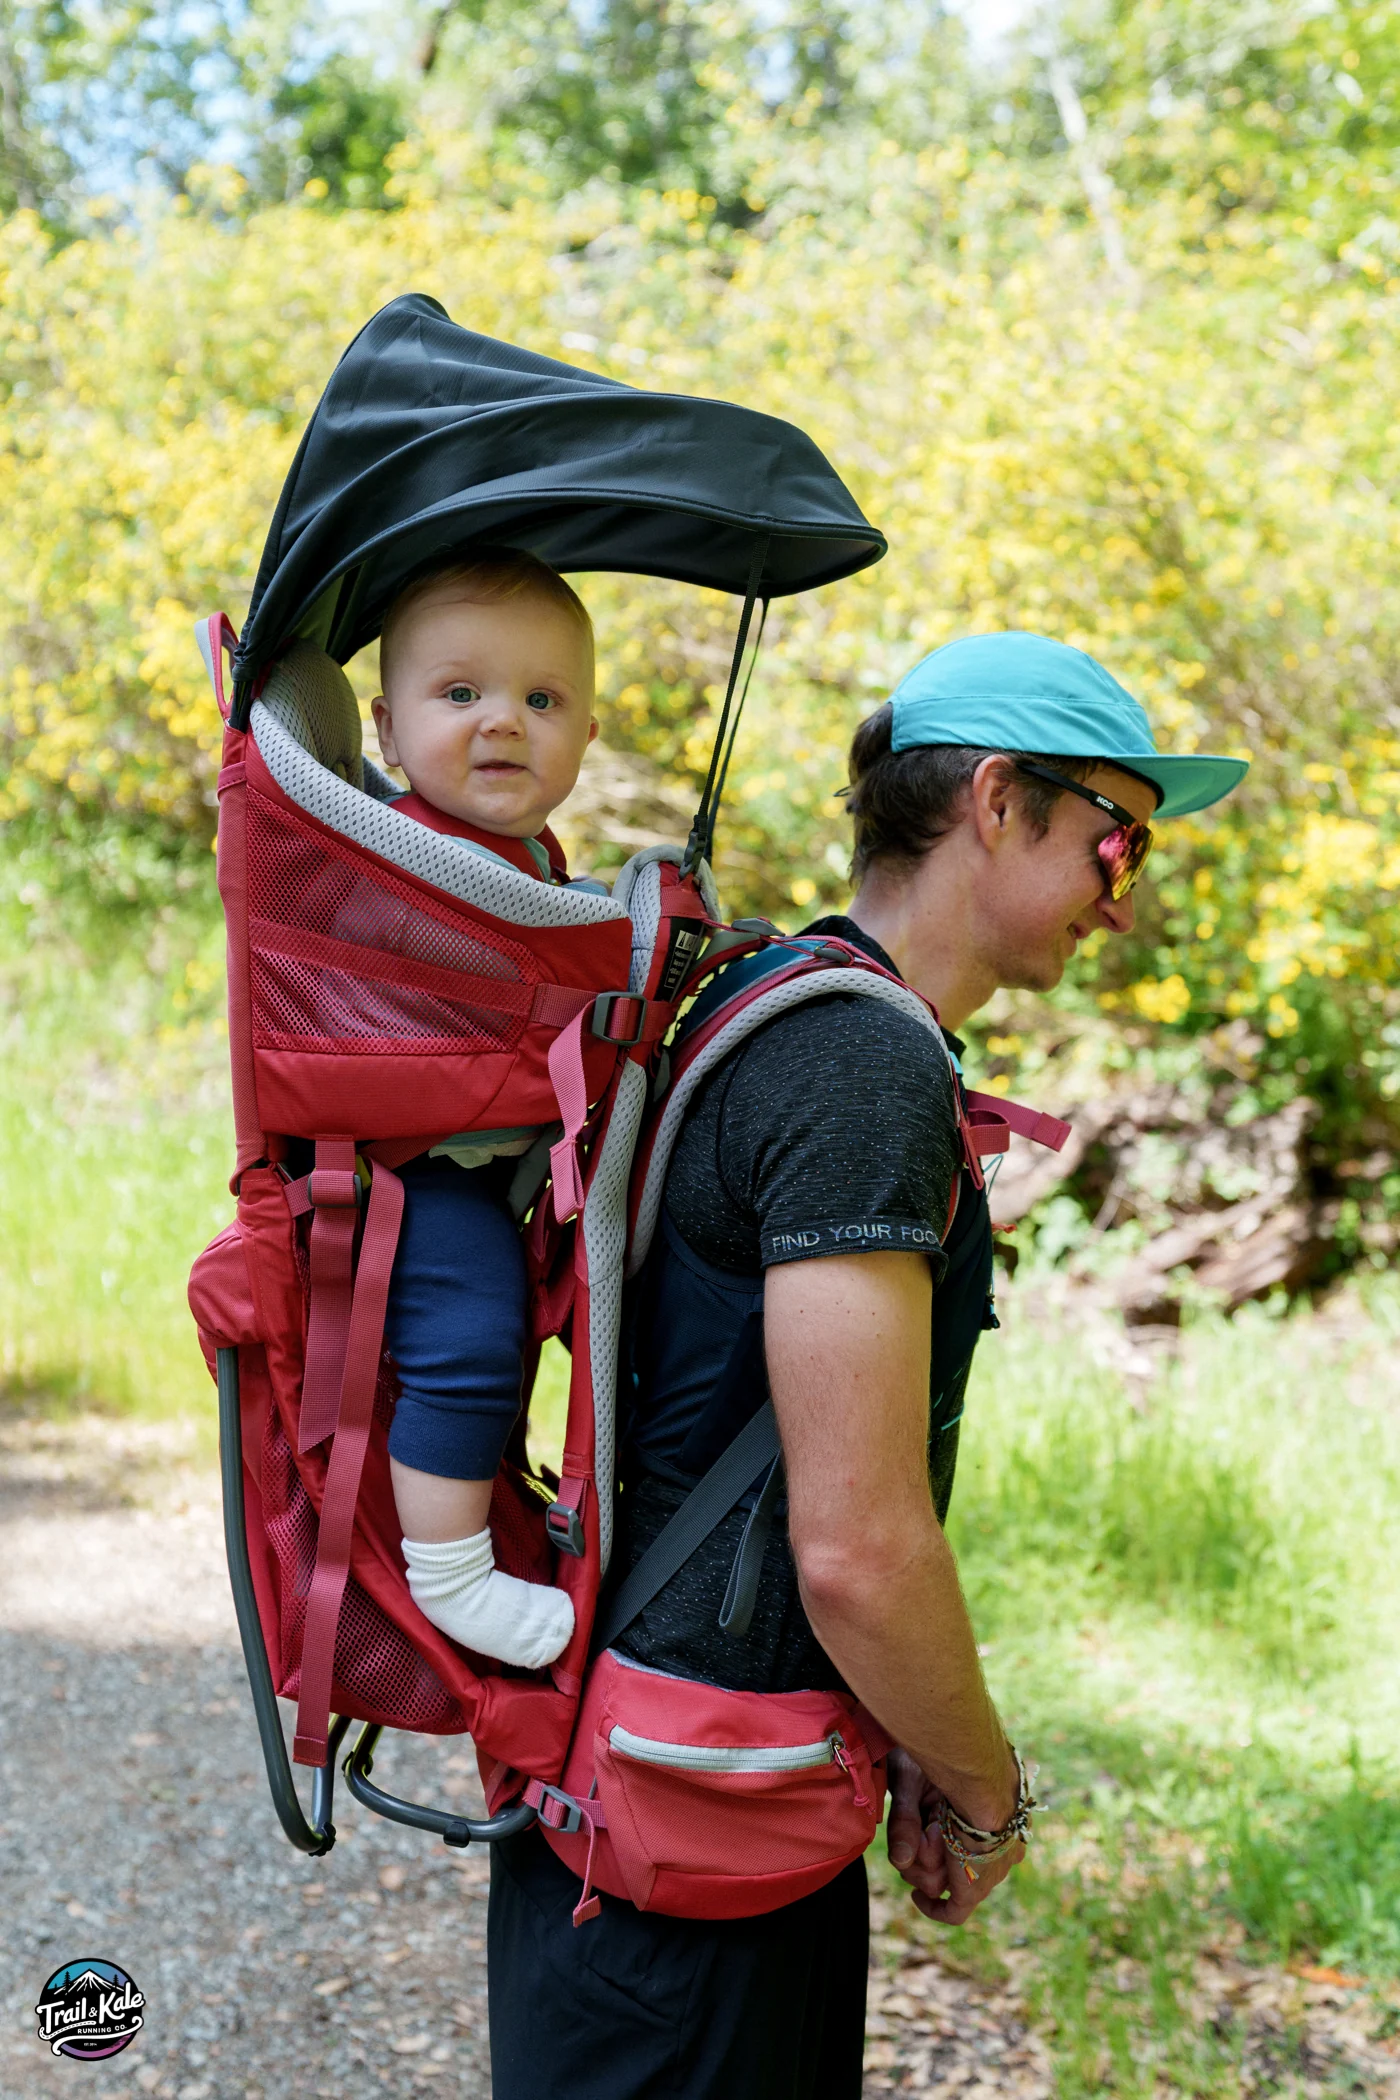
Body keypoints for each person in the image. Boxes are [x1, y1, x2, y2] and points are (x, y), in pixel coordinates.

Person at [486, 629, 1248, 2098]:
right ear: (997, 800)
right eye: (1118, 840)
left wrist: (894, 1716)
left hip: (660, 1806)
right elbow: (855, 1545)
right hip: (687, 1870)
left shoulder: (773, 995)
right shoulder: (861, 1068)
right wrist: (984, 1789)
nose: (1125, 897)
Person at [368, 548, 599, 1670]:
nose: (504, 720)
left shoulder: (528, 855)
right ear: (384, 729)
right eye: (460, 694)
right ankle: (449, 1572)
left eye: (542, 698)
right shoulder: (389, 850)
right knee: (467, 1340)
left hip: (492, 1156)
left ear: (587, 739)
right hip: (410, 1169)